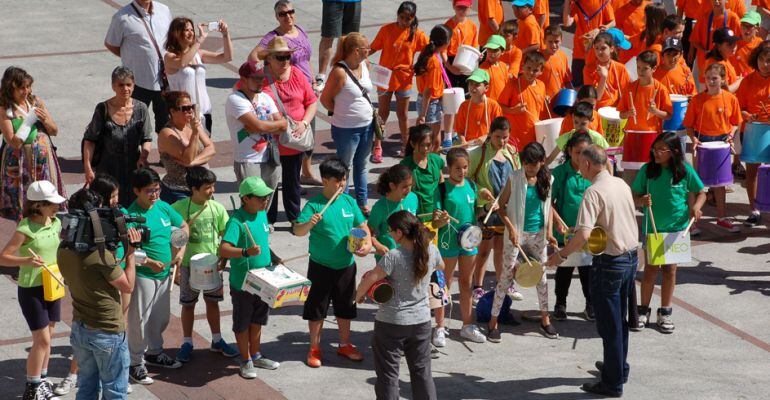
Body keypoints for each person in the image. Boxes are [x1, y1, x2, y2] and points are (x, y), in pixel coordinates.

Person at [545, 145, 640, 398]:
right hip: (631, 258)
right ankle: (618, 368)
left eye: (580, 163)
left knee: (609, 326)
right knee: (619, 321)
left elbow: (584, 233)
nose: (579, 168)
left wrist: (561, 255)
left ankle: (612, 383)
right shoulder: (621, 184)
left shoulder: (593, 191)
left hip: (611, 263)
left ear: (588, 164)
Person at [58, 188, 142, 400]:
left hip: (80, 328)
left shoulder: (64, 248)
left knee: (86, 387)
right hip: (106, 332)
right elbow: (127, 286)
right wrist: (131, 254)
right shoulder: (98, 257)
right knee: (115, 391)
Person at [294, 157, 372, 368]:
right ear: (325, 180)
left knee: (345, 307)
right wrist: (308, 224)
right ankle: (314, 348)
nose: (342, 184)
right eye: (338, 180)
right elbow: (297, 231)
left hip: (346, 266)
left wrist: (366, 245)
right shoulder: (314, 205)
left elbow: (363, 228)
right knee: (317, 309)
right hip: (320, 266)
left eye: (344, 180)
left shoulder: (348, 202)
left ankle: (345, 344)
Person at [356, 211, 441, 400]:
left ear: (400, 233)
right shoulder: (431, 250)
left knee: (388, 375)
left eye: (391, 232)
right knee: (422, 372)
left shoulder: (393, 256)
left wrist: (359, 295)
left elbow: (371, 277)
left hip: (391, 322)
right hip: (421, 321)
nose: (391, 235)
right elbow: (441, 266)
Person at [631, 132, 706, 333]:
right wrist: (641, 201)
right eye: (655, 149)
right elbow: (634, 194)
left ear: (673, 152)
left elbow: (701, 192)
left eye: (661, 150)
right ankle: (643, 310)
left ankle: (665, 312)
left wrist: (696, 207)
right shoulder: (647, 170)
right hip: (654, 229)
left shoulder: (685, 171)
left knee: (670, 271)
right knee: (650, 270)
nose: (656, 152)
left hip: (677, 230)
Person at [0, 181, 66, 400]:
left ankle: (42, 382)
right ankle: (32, 388)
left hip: (53, 283)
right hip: (31, 289)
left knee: (50, 335)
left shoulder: (55, 223)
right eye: (52, 204)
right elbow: (4, 256)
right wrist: (26, 260)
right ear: (38, 205)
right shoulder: (25, 228)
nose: (57, 207)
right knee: (43, 340)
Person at [126, 168, 189, 384]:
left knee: (161, 317)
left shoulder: (163, 207)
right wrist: (150, 262)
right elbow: (128, 250)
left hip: (165, 273)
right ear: (136, 191)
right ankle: (135, 362)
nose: (155, 194)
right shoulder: (131, 216)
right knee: (139, 319)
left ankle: (154, 351)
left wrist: (180, 251)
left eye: (157, 189)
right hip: (144, 274)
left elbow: (183, 226)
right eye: (149, 191)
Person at [250, 0, 323, 185]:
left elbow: (306, 59)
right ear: (277, 17)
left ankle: (305, 172)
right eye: (282, 14)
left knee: (307, 135)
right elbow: (253, 57)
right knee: (287, 139)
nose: (287, 16)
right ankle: (287, 178)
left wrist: (313, 79)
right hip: (286, 90)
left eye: (290, 11)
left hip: (305, 88)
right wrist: (268, 70)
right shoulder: (272, 37)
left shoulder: (300, 30)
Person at [491, 143, 558, 342]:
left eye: (533, 164)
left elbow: (548, 208)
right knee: (506, 277)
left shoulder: (549, 179)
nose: (529, 167)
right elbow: (500, 207)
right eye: (526, 163)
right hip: (516, 234)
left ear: (542, 162)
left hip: (538, 234)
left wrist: (550, 231)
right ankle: (493, 322)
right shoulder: (514, 177)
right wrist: (511, 229)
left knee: (542, 278)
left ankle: (545, 320)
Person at [171, 167, 238, 363]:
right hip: (187, 266)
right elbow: (172, 238)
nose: (212, 191)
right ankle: (187, 342)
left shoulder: (216, 208)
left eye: (213, 186)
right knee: (188, 305)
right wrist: (175, 269)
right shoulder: (178, 208)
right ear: (193, 189)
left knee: (213, 302)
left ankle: (217, 340)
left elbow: (226, 235)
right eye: (207, 187)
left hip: (212, 266)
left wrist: (223, 260)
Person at [219, 176, 281, 378]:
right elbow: (225, 249)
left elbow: (262, 244)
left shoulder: (262, 214)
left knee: (258, 321)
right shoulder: (236, 221)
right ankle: (245, 360)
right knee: (242, 323)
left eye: (267, 196)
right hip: (243, 284)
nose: (265, 200)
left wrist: (274, 258)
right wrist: (245, 252)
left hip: (263, 281)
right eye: (261, 197)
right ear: (246, 198)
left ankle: (256, 355)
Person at [435, 148, 495, 344]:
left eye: (465, 167)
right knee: (444, 284)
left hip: (469, 242)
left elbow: (475, 213)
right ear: (449, 168)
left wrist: (486, 207)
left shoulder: (471, 185)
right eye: (457, 168)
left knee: (466, 284)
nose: (462, 172)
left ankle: (467, 326)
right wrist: (441, 220)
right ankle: (440, 327)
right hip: (448, 242)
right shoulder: (442, 189)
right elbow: (435, 221)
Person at [259, 36, 319, 223]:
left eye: (287, 57)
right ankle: (268, 219)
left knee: (292, 182)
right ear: (268, 58)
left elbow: (312, 102)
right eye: (280, 57)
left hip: (294, 139)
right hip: (269, 141)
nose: (285, 61)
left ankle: (295, 217)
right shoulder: (260, 78)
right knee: (270, 182)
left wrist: (304, 123)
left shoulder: (297, 74)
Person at [226, 61, 288, 225]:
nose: (261, 82)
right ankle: (246, 237)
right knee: (251, 205)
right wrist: (262, 125)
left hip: (270, 158)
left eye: (262, 78)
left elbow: (282, 125)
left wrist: (258, 125)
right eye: (256, 78)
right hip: (248, 160)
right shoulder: (235, 100)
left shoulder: (266, 97)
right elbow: (261, 125)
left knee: (265, 202)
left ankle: (260, 231)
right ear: (244, 79)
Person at [683, 63, 742, 233]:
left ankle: (722, 218)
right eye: (708, 78)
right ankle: (692, 222)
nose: (710, 81)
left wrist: (731, 134)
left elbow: (736, 121)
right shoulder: (697, 99)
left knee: (720, 184)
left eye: (714, 78)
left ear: (723, 79)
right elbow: (689, 124)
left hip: (722, 142)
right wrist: (693, 138)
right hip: (703, 141)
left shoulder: (731, 98)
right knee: (696, 184)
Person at [468, 117, 521, 305]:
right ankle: (478, 288)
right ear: (490, 134)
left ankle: (503, 284)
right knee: (483, 251)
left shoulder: (512, 153)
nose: (502, 141)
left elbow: (518, 177)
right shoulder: (477, 154)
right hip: (486, 211)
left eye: (506, 137)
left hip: (505, 211)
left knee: (501, 250)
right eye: (498, 137)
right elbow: (466, 181)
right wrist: (480, 193)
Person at [0, 67, 65, 222]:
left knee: (46, 201)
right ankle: (26, 240)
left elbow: (55, 130)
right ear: (10, 88)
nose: (26, 91)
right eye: (22, 88)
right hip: (19, 163)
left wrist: (45, 120)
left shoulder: (36, 102)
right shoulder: (5, 109)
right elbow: (14, 142)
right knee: (23, 207)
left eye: (28, 87)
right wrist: (29, 120)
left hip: (42, 161)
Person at [320, 33, 375, 214]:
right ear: (356, 51)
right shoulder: (339, 72)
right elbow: (326, 99)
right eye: (367, 48)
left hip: (367, 125)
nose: (370, 51)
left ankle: (361, 202)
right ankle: (342, 202)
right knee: (345, 166)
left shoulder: (365, 65)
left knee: (362, 165)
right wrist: (343, 113)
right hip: (346, 129)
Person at [83, 66, 152, 207]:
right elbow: (90, 140)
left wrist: (143, 157)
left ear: (134, 85)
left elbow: (146, 138)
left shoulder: (141, 108)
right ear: (113, 86)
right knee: (107, 204)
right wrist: (88, 168)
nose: (125, 89)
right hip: (107, 169)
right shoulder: (102, 109)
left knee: (133, 205)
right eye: (121, 85)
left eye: (129, 84)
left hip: (133, 168)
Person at [370, 2, 428, 161]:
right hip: (385, 77)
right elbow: (373, 48)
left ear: (413, 18)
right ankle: (377, 145)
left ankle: (405, 145)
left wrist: (419, 65)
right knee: (383, 113)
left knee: (402, 114)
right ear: (397, 14)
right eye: (401, 17)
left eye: (408, 19)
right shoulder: (386, 30)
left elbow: (428, 50)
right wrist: (357, 57)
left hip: (404, 78)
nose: (404, 21)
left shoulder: (417, 34)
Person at [104, 0, 173, 132]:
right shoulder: (122, 17)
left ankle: (165, 152)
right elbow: (111, 44)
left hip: (165, 82)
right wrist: (133, 58)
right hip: (138, 83)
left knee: (166, 126)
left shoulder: (164, 10)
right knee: (134, 127)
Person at [552, 133, 595, 321]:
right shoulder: (559, 173)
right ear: (569, 151)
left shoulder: (594, 172)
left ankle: (590, 304)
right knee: (564, 270)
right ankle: (560, 304)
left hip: (588, 232)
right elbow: (548, 202)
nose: (580, 156)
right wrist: (557, 222)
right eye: (577, 152)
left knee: (588, 271)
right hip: (565, 232)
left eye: (585, 152)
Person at [164, 16, 233, 133]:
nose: (191, 33)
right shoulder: (170, 57)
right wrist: (199, 41)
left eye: (192, 30)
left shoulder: (198, 54)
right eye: (186, 30)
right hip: (183, 113)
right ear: (176, 33)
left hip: (205, 111)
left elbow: (227, 57)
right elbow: (183, 62)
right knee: (188, 150)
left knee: (206, 149)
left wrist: (225, 34)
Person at [157, 91, 216, 204]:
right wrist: (195, 133)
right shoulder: (167, 133)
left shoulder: (192, 125)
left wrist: (193, 163)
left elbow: (211, 148)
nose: (190, 111)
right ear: (173, 111)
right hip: (178, 191)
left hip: (201, 187)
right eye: (185, 108)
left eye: (192, 107)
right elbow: (187, 158)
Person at [736, 40, 770, 227]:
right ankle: (754, 209)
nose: (765, 64)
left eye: (769, 61)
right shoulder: (747, 81)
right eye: (762, 59)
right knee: (753, 172)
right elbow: (739, 108)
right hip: (753, 131)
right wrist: (746, 115)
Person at [369, 165, 419, 261]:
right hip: (387, 258)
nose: (408, 190)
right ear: (392, 185)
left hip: (409, 255)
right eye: (404, 186)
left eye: (410, 185)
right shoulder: (380, 207)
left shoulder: (413, 198)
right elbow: (369, 232)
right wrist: (378, 245)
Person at [414, 24, 452, 151]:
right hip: (431, 103)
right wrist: (423, 115)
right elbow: (428, 91)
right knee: (434, 140)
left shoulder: (426, 53)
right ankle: (432, 164)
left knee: (423, 137)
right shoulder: (434, 61)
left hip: (422, 100)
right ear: (445, 42)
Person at [499, 50, 547, 148]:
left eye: (535, 70)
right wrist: (513, 111)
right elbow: (499, 106)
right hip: (515, 140)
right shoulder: (513, 84)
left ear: (541, 71)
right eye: (528, 68)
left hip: (533, 138)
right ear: (523, 66)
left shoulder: (541, 86)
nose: (530, 72)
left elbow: (537, 112)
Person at [562, 0, 615, 87]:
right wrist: (567, 1)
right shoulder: (576, 3)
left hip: (597, 54)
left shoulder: (603, 1)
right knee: (578, 87)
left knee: (594, 87)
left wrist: (601, 29)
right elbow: (567, 23)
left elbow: (613, 22)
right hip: (579, 52)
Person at [617, 51, 673, 133]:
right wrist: (628, 113)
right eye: (638, 67)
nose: (640, 71)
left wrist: (656, 111)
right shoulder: (629, 88)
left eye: (645, 68)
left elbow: (668, 116)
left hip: (652, 134)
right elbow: (621, 115)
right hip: (632, 132)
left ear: (654, 69)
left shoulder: (661, 89)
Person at [400, 125, 445, 217]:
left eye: (428, 145)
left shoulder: (436, 160)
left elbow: (441, 180)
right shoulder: (405, 165)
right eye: (421, 145)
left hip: (437, 213)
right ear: (413, 144)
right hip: (416, 214)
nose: (425, 149)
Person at [317, 0, 363, 89]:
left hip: (354, 1)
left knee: (351, 39)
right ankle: (321, 77)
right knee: (328, 37)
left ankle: (346, 74)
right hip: (333, 1)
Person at [688, 0, 741, 74]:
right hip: (706, 66)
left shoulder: (733, 18)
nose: (716, 2)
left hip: (726, 66)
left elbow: (740, 41)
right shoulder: (704, 17)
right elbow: (694, 40)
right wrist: (704, 51)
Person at [584, 31, 631, 109]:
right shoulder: (589, 69)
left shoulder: (621, 68)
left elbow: (626, 95)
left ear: (612, 49)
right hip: (598, 111)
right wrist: (603, 78)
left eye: (603, 48)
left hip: (617, 111)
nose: (599, 52)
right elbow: (596, 98)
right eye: (596, 48)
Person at [454, 69, 503, 143]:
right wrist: (463, 141)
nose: (473, 87)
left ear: (486, 88)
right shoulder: (464, 106)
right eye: (471, 84)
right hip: (468, 145)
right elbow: (459, 131)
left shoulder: (494, 106)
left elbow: (499, 129)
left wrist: (486, 137)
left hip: (488, 144)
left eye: (477, 85)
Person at [444, 0, 479, 89]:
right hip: (451, 60)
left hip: (466, 60)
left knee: (466, 89)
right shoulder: (448, 26)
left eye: (465, 8)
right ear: (453, 6)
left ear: (470, 7)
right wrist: (450, 68)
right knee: (452, 90)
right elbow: (443, 52)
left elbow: (474, 47)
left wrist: (477, 56)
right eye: (459, 7)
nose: (461, 11)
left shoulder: (472, 26)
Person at [701, 27, 742, 92]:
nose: (734, 46)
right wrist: (740, 81)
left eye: (734, 43)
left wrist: (736, 78)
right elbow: (725, 91)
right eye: (729, 44)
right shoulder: (715, 65)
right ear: (719, 46)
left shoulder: (724, 58)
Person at [541, 25, 572, 101]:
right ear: (544, 40)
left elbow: (567, 79)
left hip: (560, 99)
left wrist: (570, 93)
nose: (553, 45)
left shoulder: (562, 56)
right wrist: (542, 95)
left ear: (561, 40)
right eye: (550, 42)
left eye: (556, 41)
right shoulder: (539, 57)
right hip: (544, 99)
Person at [479, 35, 510, 101]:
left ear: (502, 52)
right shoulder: (483, 68)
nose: (491, 53)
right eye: (489, 49)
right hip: (489, 105)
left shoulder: (504, 66)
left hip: (502, 104)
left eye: (495, 50)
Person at [732, 11, 763, 78]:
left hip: (752, 81)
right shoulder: (733, 42)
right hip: (735, 81)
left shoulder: (760, 45)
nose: (746, 29)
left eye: (750, 26)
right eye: (743, 25)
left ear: (757, 29)